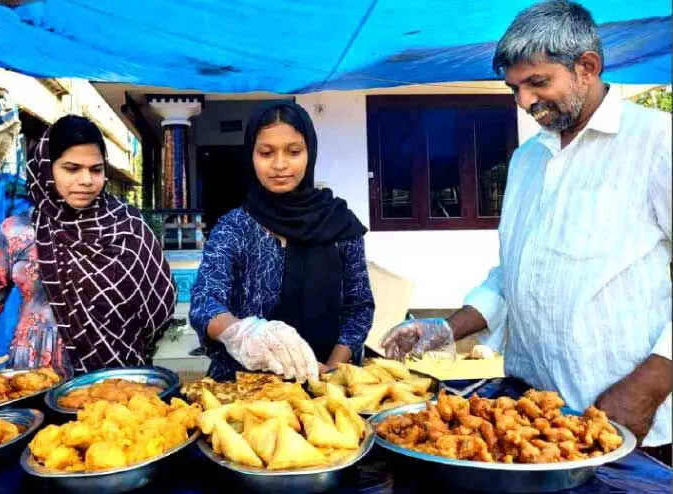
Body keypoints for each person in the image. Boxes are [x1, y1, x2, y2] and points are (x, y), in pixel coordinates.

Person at [382, 0, 672, 462]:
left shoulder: (656, 142)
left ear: (587, 67)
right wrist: (447, 327)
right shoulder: (527, 160)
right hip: (532, 411)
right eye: (515, 87)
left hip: (632, 418)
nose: (524, 102)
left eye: (538, 83)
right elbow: (515, 270)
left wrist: (650, 384)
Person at [0, 115, 177, 377]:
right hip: (34, 376)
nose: (86, 180)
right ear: (46, 169)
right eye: (72, 168)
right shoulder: (17, 232)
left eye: (96, 169)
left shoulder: (127, 226)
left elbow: (158, 305)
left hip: (116, 376)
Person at [189, 100, 375, 382]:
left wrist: (332, 369)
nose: (280, 164)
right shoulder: (234, 228)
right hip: (244, 391)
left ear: (309, 153)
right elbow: (205, 302)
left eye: (294, 151)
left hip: (329, 391)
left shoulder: (340, 224)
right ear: (250, 156)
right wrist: (243, 332)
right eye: (266, 152)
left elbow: (359, 308)